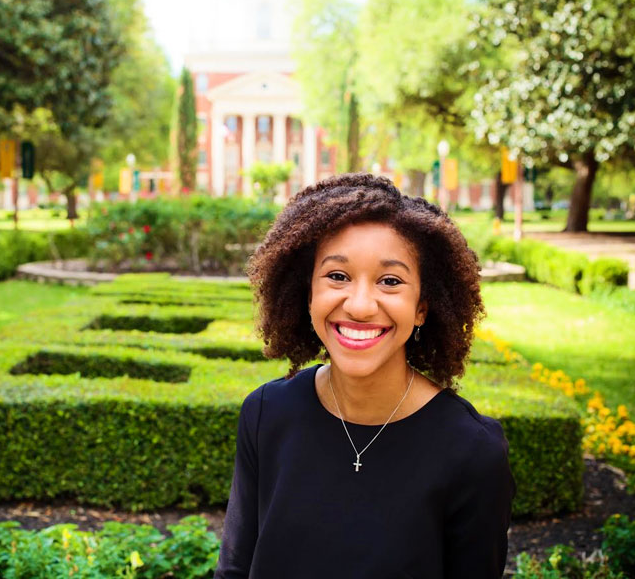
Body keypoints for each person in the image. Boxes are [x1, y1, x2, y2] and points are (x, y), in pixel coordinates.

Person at [215, 173, 516, 578]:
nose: (359, 305)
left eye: (390, 281)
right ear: (308, 294)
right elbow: (234, 569)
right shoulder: (267, 414)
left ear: (422, 307)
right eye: (337, 276)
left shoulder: (472, 451)